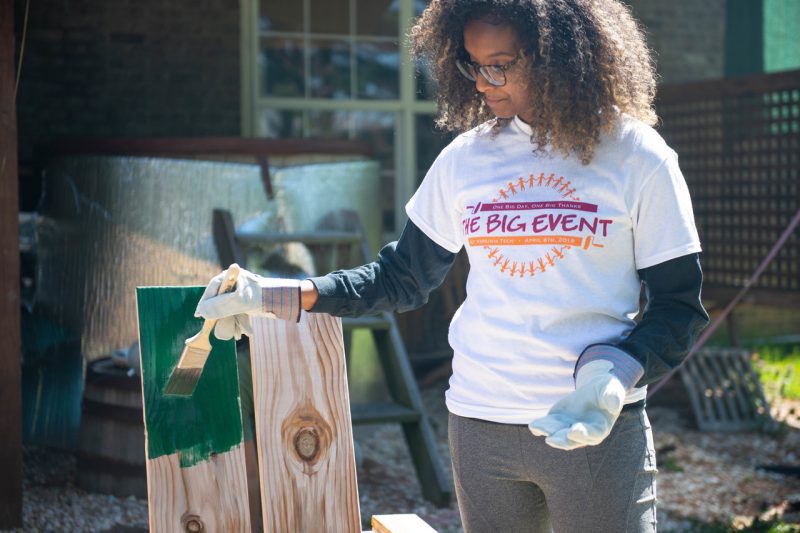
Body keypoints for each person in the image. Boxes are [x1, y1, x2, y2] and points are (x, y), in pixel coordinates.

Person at [195, 1, 710, 531]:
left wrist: (611, 377)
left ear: (559, 57)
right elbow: (400, 278)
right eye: (472, 63)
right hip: (480, 426)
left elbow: (679, 310)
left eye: (500, 64)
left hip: (595, 431)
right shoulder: (467, 159)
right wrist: (276, 295)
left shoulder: (638, 157)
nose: (483, 82)